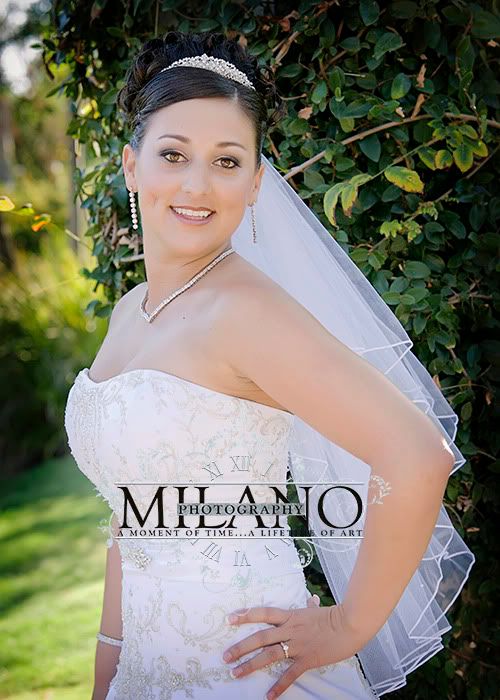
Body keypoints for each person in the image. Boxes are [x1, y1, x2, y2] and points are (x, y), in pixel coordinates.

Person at [64, 30, 474, 700]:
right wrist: (109, 668)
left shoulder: (247, 312)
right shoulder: (131, 311)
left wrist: (346, 626)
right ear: (132, 166)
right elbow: (132, 516)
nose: (197, 184)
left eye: (227, 162)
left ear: (255, 183)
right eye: (174, 154)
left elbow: (417, 455)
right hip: (144, 672)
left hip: (246, 672)